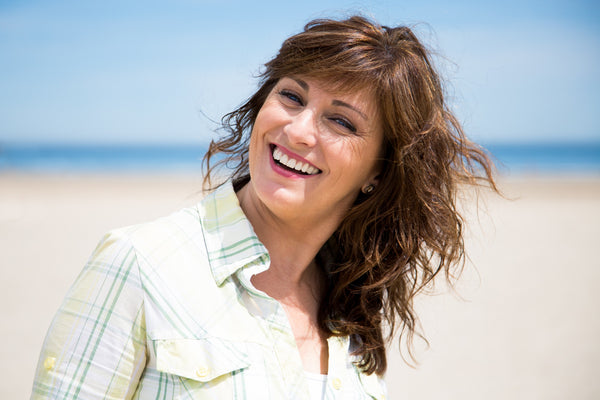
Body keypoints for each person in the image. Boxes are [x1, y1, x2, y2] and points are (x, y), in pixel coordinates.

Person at [31, 15, 498, 399]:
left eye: (340, 121)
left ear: (379, 171)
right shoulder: (140, 263)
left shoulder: (350, 312)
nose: (297, 131)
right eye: (291, 96)